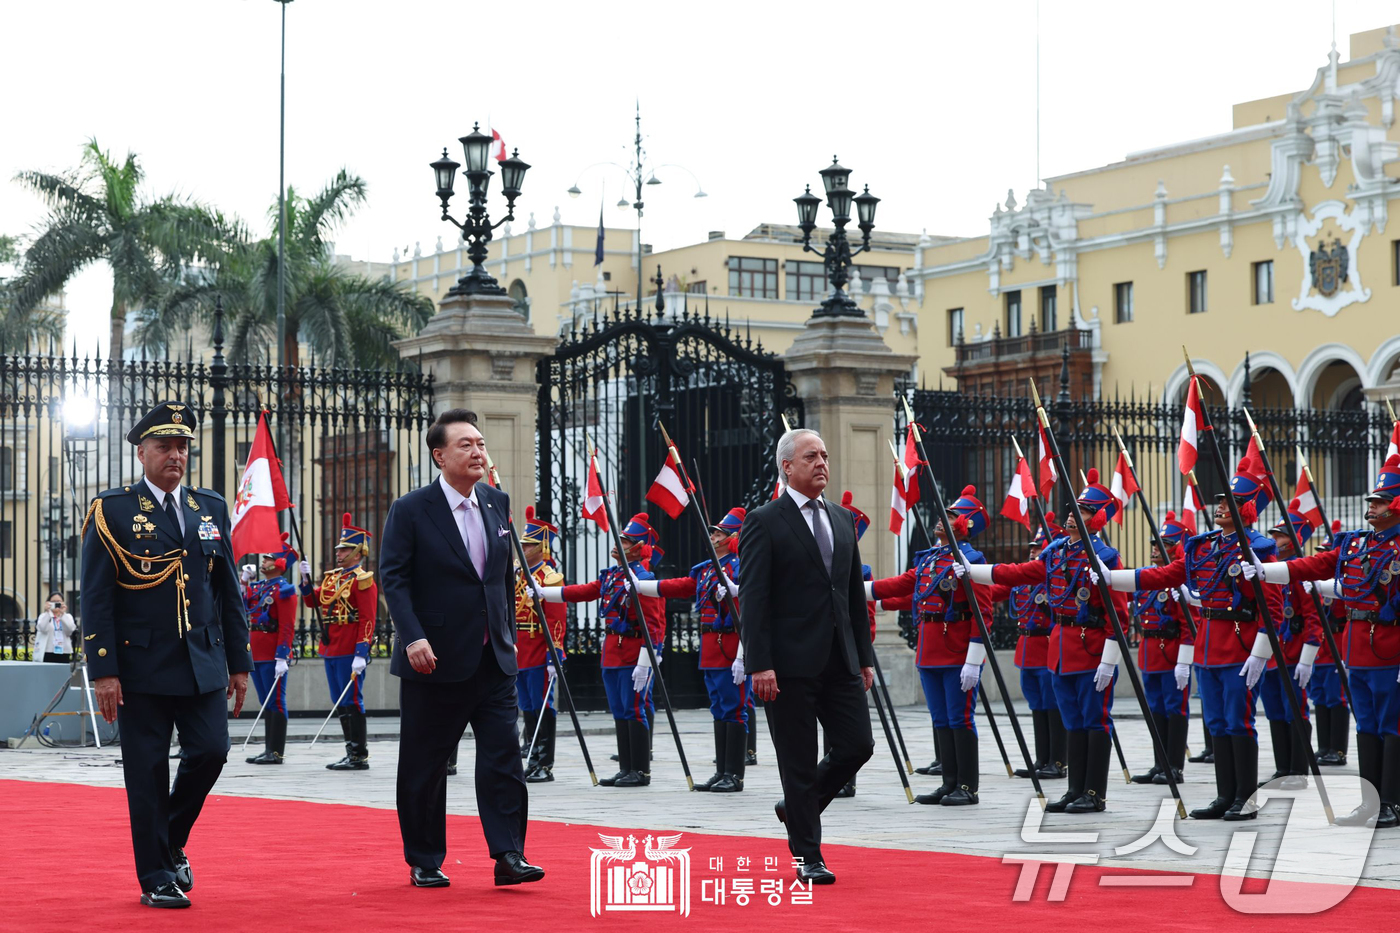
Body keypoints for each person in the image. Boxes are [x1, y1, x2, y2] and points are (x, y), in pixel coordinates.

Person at [81, 400, 250, 908]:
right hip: (140, 666)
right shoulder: (113, 509)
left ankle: (171, 839)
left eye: (182, 447)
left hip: (202, 661)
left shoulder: (210, 507)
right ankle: (156, 874)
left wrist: (238, 661)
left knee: (211, 752)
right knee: (148, 771)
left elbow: (228, 591)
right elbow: (96, 596)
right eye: (164, 446)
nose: (175, 455)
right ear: (141, 452)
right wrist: (105, 670)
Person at [379, 408, 542, 888]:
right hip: (434, 658)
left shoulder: (496, 501)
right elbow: (394, 578)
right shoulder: (411, 509)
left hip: (493, 658)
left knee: (503, 759)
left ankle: (509, 854)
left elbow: (498, 579)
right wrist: (413, 636)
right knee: (425, 764)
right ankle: (425, 858)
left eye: (481, 443)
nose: (478, 451)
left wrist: (507, 637)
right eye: (466, 445)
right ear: (440, 455)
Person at [1096, 458, 1282, 821]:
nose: (1220, 507)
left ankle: (1244, 797)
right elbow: (1164, 575)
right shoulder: (1205, 546)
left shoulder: (1259, 549)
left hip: (1240, 645)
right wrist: (1112, 578)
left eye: (1229, 502)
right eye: (1221, 501)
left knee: (1238, 721)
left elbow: (1271, 609)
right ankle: (1224, 795)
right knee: (1215, 723)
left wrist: (1260, 653)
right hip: (1210, 646)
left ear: (1246, 507)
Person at [738, 428, 874, 886]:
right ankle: (808, 857)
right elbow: (754, 599)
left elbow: (853, 594)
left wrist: (865, 656)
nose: (822, 462)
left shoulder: (841, 519)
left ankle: (797, 805)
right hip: (788, 665)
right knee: (797, 760)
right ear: (787, 467)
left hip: (840, 659)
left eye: (825, 455)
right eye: (811, 456)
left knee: (858, 745)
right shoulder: (764, 520)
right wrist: (759, 662)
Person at [1245, 454, 1400, 828]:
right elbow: (1314, 566)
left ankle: (1393, 802)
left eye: (1379, 501)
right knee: (1366, 725)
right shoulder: (1357, 544)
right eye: (1372, 501)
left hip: (1392, 647)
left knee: (1393, 725)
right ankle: (1371, 801)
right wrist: (1269, 570)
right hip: (1360, 648)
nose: (1372, 507)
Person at [964, 468, 1130, 814]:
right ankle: (1074, 789)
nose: (1073, 515)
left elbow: (1119, 616)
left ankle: (1094, 793)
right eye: (1074, 509)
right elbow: (1018, 573)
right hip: (1060, 647)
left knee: (1094, 720)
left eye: (1083, 511)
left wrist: (1109, 660)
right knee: (1072, 720)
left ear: (1098, 518)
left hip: (1090, 646)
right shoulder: (1056, 553)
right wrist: (974, 571)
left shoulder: (1106, 559)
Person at [869, 487, 992, 807]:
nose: (941, 519)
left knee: (960, 719)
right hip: (930, 648)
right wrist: (861, 589)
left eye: (950, 516)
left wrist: (973, 659)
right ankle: (948, 782)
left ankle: (967, 786)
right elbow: (900, 585)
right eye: (944, 515)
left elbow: (984, 614)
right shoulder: (932, 558)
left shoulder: (972, 561)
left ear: (966, 525)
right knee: (940, 718)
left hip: (956, 651)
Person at [538, 513, 667, 788]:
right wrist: (544, 593)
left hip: (633, 652)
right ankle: (625, 767)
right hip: (612, 651)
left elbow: (653, 625)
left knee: (634, 708)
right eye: (620, 538)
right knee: (619, 710)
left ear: (638, 547)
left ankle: (640, 771)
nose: (618, 543)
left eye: (626, 540)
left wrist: (646, 661)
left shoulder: (643, 578)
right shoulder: (612, 576)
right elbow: (584, 591)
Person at [638, 506, 749, 792]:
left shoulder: (743, 567)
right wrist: (642, 585)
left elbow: (751, 612)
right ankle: (721, 770)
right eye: (713, 531)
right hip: (711, 647)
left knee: (734, 709)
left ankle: (734, 774)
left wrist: (743, 655)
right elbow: (679, 586)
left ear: (732, 537)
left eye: (719, 532)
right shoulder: (708, 570)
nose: (712, 535)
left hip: (732, 645)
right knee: (718, 708)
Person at [298, 514, 377, 770]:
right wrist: (307, 582)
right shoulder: (333, 578)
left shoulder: (363, 580)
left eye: (344, 549)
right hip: (331, 646)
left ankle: (359, 755)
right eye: (339, 549)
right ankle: (350, 751)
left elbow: (368, 618)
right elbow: (314, 601)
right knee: (339, 699)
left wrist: (361, 652)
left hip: (349, 648)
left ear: (357, 551)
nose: (339, 553)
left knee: (352, 699)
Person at [1255, 499, 1321, 790]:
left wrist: (1307, 657)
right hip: (1271, 655)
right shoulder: (1270, 569)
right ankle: (1283, 768)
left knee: (1295, 710)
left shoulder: (1300, 572)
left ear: (1295, 540)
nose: (1274, 540)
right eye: (1275, 535)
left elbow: (1313, 617)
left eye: (1281, 536)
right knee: (1274, 711)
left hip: (1293, 655)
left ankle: (1298, 770)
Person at [1127, 511, 1193, 786]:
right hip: (1150, 651)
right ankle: (1159, 764)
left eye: (1164, 544)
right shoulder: (1151, 577)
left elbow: (1190, 625)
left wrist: (1184, 660)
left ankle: (1174, 766)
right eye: (1155, 544)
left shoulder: (1182, 580)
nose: (1156, 549)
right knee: (1155, 709)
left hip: (1172, 650)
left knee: (1174, 708)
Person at [1005, 515, 1067, 781]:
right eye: (1031, 547)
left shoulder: (1057, 578)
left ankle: (1058, 760)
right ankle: (1041, 759)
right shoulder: (1024, 579)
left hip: (1047, 646)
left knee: (1052, 705)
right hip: (1027, 647)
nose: (1033, 551)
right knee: (1037, 705)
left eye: (1038, 547)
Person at [515, 507, 567, 783]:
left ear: (542, 547)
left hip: (538, 649)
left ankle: (544, 763)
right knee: (527, 705)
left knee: (542, 705)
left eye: (529, 544)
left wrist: (554, 654)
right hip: (519, 649)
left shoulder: (550, 578)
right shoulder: (516, 574)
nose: (523, 548)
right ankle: (532, 758)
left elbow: (557, 621)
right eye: (523, 544)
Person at [241, 534, 299, 765]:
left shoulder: (284, 590)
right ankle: (268, 750)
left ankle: (276, 752)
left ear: (280, 563)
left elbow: (287, 626)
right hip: (257, 652)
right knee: (266, 700)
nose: (263, 562)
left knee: (275, 701)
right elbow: (243, 606)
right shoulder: (259, 587)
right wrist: (244, 582)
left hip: (273, 653)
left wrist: (282, 656)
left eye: (268, 559)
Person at [1312, 520, 1350, 766]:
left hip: (1338, 643)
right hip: (1321, 649)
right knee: (1319, 697)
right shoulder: (1318, 584)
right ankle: (1324, 746)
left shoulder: (1346, 581)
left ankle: (1338, 750)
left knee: (1337, 698)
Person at [33, 593, 76, 662]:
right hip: (47, 651)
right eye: (53, 601)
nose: (56, 603)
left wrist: (62, 614)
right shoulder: (44, 616)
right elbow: (42, 628)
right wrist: (48, 613)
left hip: (64, 651)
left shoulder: (67, 616)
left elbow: (70, 630)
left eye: (59, 601)